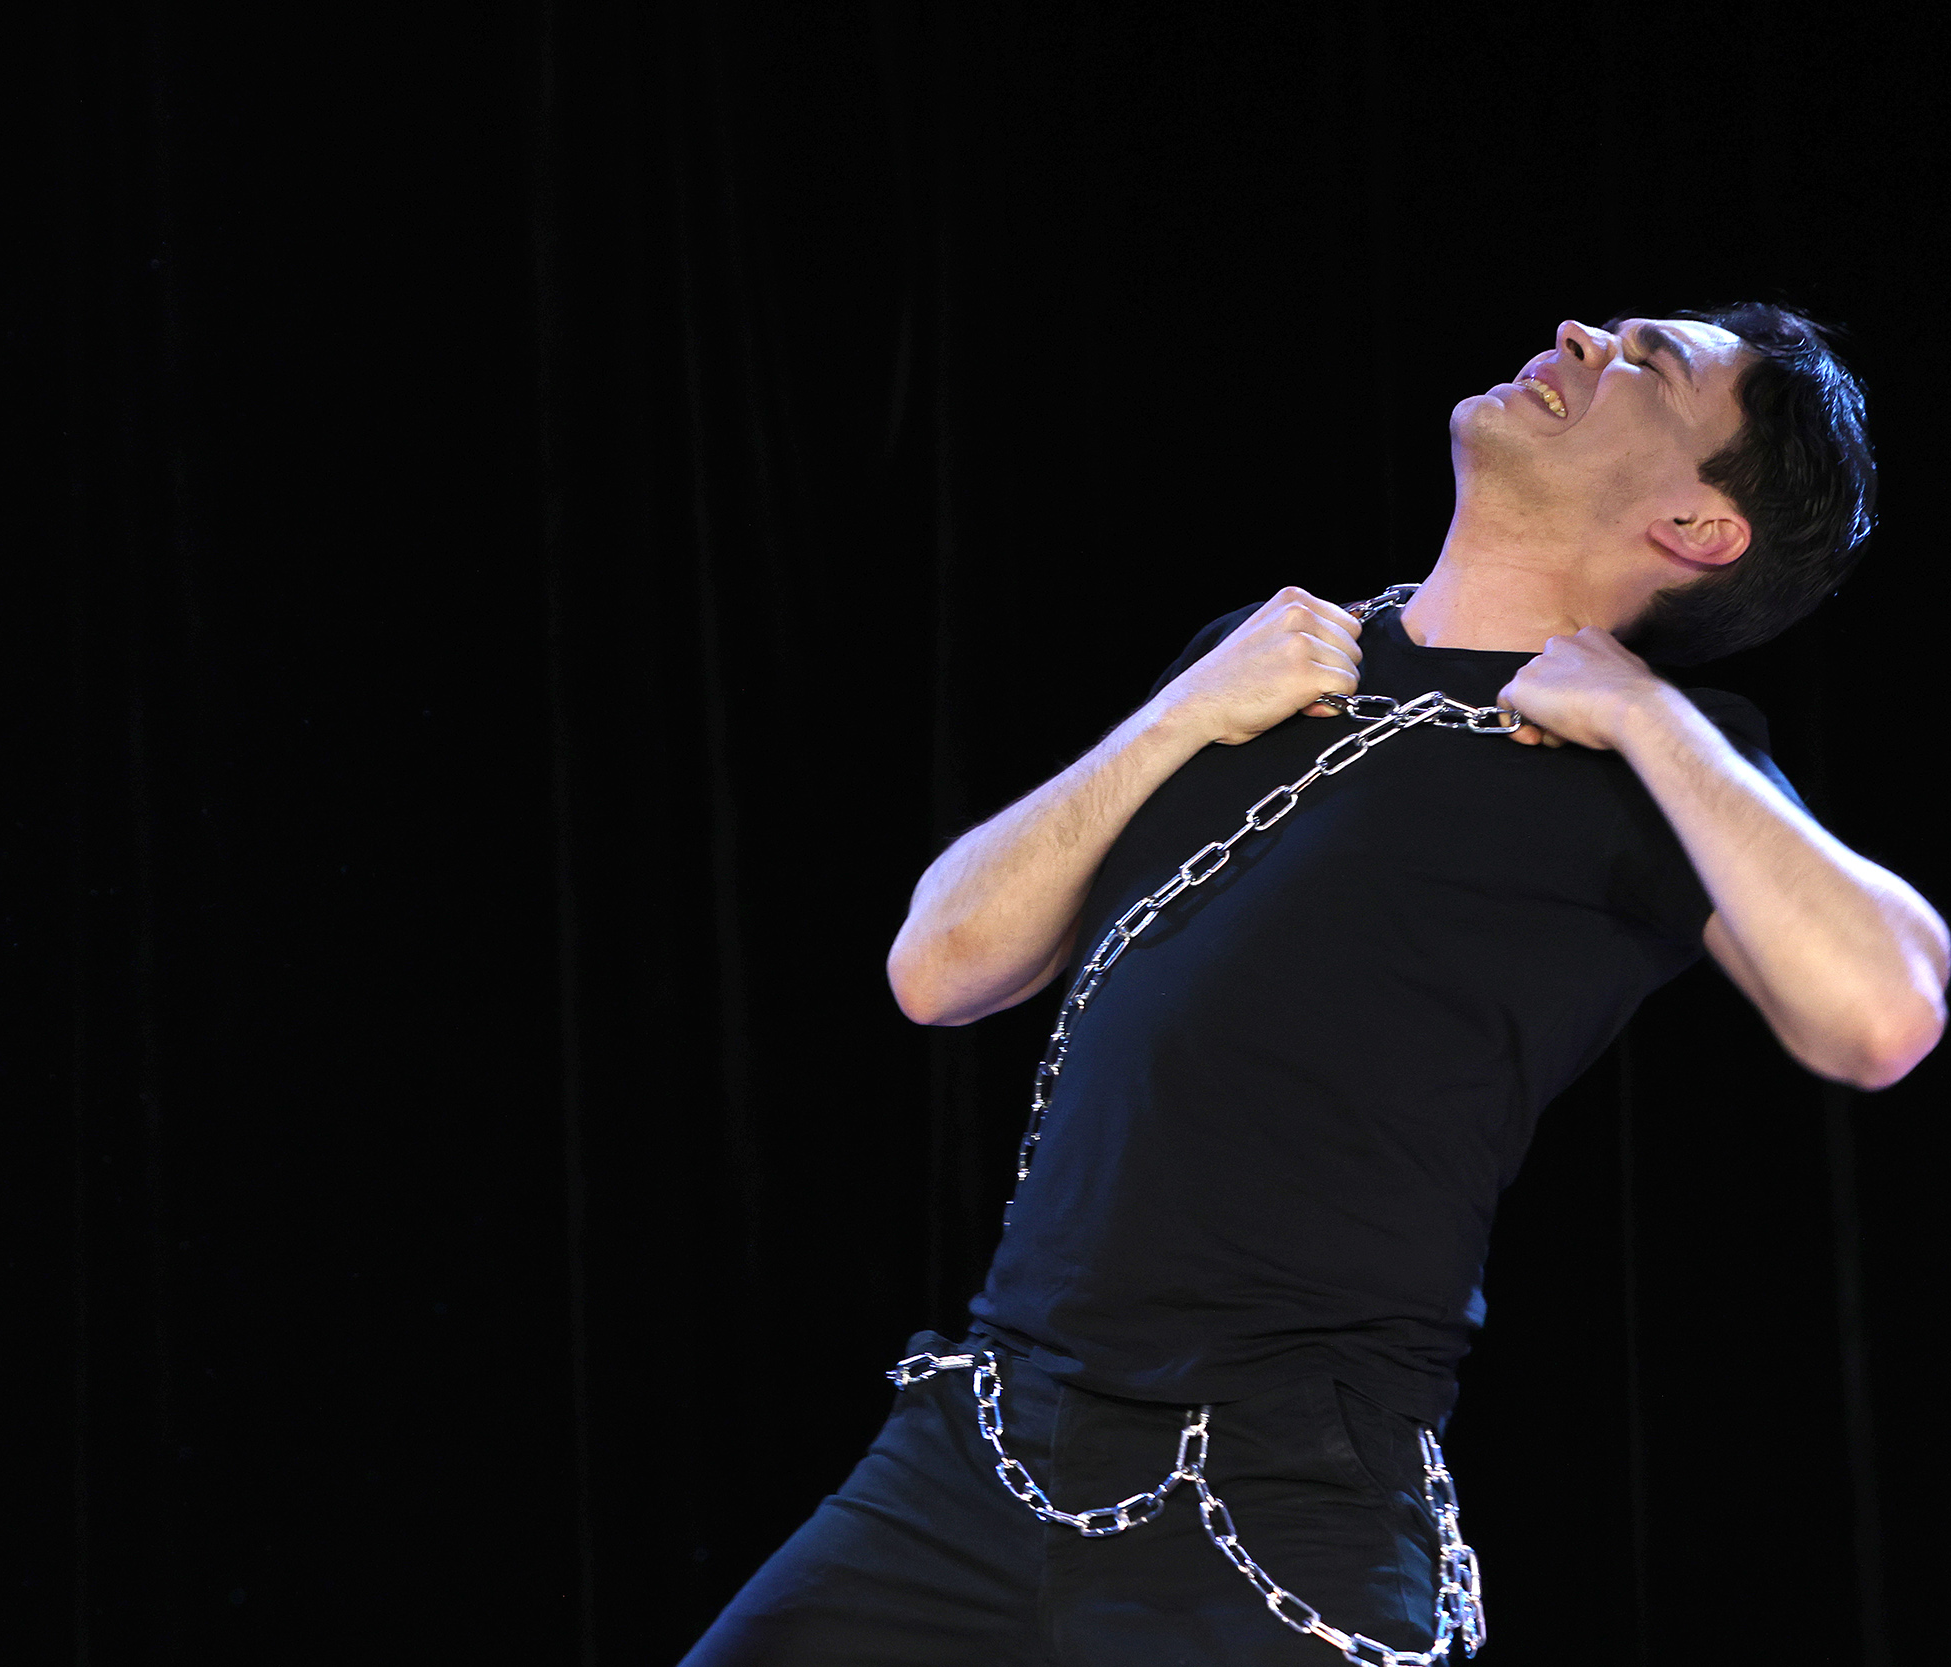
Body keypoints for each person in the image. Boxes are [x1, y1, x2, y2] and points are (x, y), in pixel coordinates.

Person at [679, 306, 1948, 1666]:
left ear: (1698, 528)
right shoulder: (1267, 659)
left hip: (1282, 1489)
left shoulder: (1649, 764)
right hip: (981, 1443)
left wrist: (1646, 714)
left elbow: (1882, 1011)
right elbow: (937, 969)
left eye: (1653, 361)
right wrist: (1184, 711)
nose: (1583, 335)